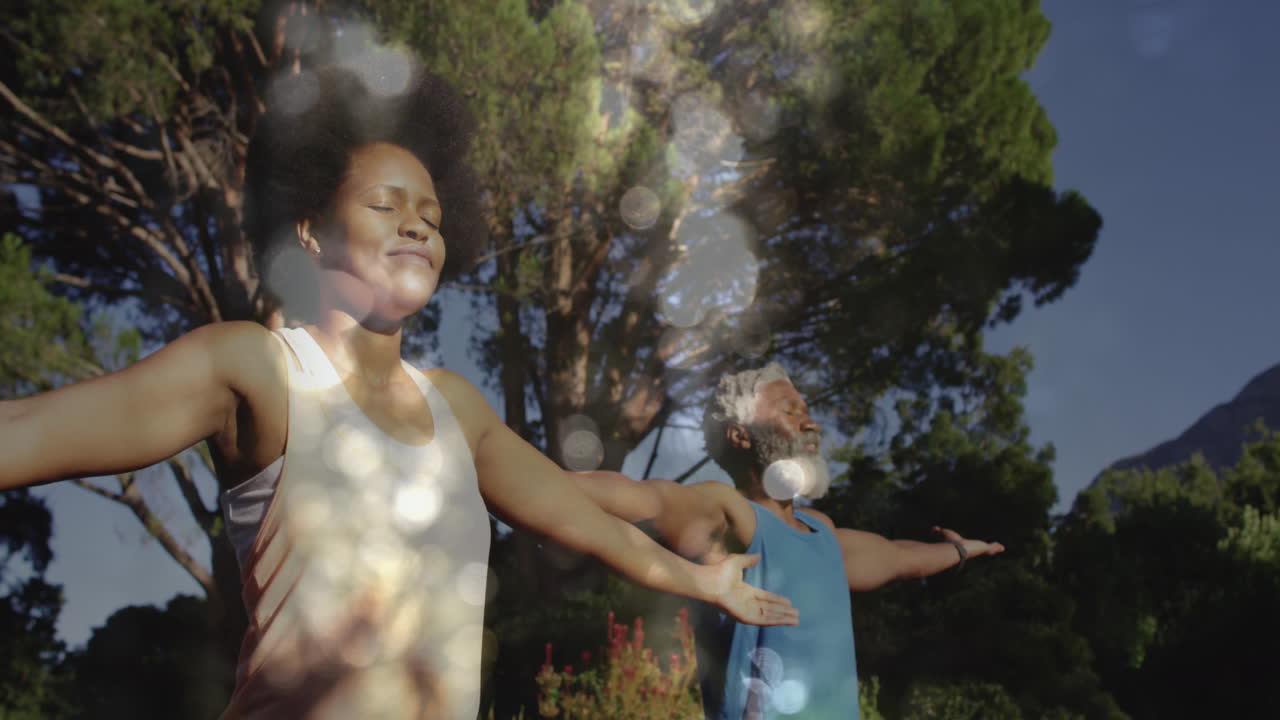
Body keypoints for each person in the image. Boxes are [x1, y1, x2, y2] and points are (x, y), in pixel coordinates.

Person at [0, 65, 799, 719]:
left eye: (432, 215)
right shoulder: (256, 369)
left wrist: (698, 579)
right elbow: (30, 428)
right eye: (385, 205)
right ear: (311, 229)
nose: (417, 226)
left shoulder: (458, 408)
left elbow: (584, 518)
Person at [576, 362, 1006, 720]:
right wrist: (544, 484)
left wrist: (961, 550)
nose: (810, 420)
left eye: (806, 409)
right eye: (789, 410)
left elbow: (895, 556)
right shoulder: (731, 515)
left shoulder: (820, 530)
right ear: (741, 435)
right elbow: (645, 498)